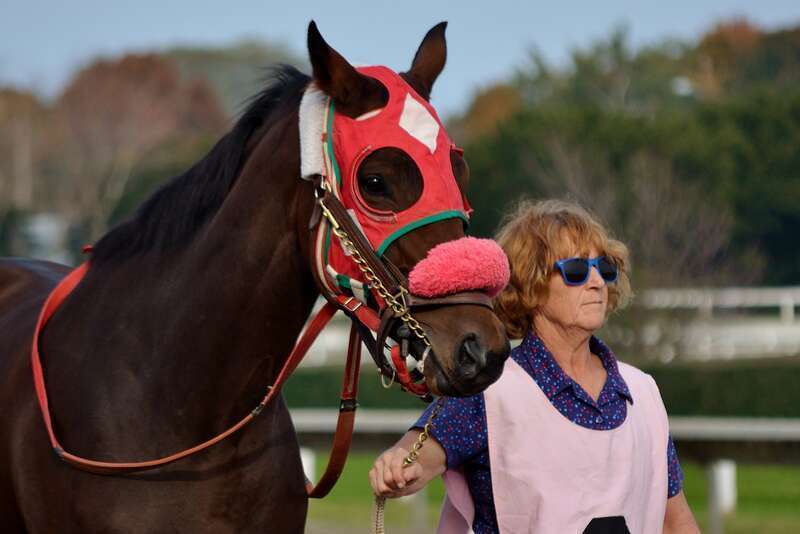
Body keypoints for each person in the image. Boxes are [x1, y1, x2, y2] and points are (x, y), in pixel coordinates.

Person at [369, 199, 700, 534]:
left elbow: (675, 521)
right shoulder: (491, 389)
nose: (598, 281)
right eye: (576, 270)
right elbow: (421, 453)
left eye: (605, 267)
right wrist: (398, 466)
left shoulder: (643, 391)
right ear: (531, 284)